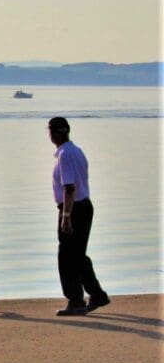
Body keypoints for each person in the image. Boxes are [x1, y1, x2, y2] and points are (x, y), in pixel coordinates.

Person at [48, 117, 110, 316]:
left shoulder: (65, 155)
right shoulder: (75, 151)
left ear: (54, 133)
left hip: (74, 208)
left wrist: (66, 215)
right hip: (82, 207)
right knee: (77, 255)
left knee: (67, 256)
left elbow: (70, 188)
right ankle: (97, 294)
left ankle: (76, 300)